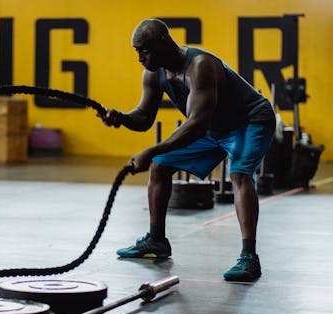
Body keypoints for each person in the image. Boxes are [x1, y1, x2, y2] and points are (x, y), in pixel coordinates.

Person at [99, 18, 276, 282]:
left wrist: (149, 150)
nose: (140, 57)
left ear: (163, 42)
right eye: (137, 51)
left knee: (239, 174)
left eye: (144, 50)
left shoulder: (199, 66)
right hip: (213, 128)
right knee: (160, 165)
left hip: (249, 120)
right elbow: (144, 118)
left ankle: (249, 257)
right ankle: (156, 241)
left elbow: (196, 124)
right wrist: (122, 118)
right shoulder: (153, 72)